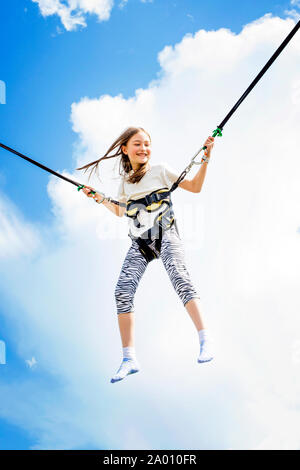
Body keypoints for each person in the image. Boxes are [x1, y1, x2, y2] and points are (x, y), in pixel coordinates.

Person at [77, 127, 215, 383]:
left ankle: (205, 338)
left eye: (147, 144)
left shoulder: (160, 170)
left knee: (179, 276)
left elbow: (195, 187)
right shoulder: (125, 184)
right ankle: (129, 358)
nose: (143, 149)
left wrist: (205, 157)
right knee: (122, 291)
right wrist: (96, 197)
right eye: (137, 144)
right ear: (125, 149)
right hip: (140, 243)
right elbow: (120, 211)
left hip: (166, 234)